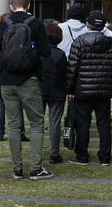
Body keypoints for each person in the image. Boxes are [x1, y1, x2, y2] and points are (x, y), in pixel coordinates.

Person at [0, 0, 53, 180]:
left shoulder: (1, 25)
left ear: (11, 5)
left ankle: (17, 169)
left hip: (6, 81)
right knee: (37, 123)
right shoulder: (36, 24)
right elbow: (47, 53)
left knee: (14, 125)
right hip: (29, 79)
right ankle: (35, 168)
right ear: (29, 5)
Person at [66, 11, 112, 166]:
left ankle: (82, 156)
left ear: (87, 24)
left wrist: (70, 89)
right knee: (104, 124)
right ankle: (105, 157)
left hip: (83, 90)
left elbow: (72, 68)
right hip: (103, 91)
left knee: (83, 124)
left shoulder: (79, 42)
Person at [40, 21, 68, 164]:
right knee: (55, 123)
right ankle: (54, 154)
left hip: (40, 90)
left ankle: (37, 152)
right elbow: (65, 75)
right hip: (57, 91)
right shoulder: (61, 55)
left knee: (37, 123)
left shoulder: (39, 53)